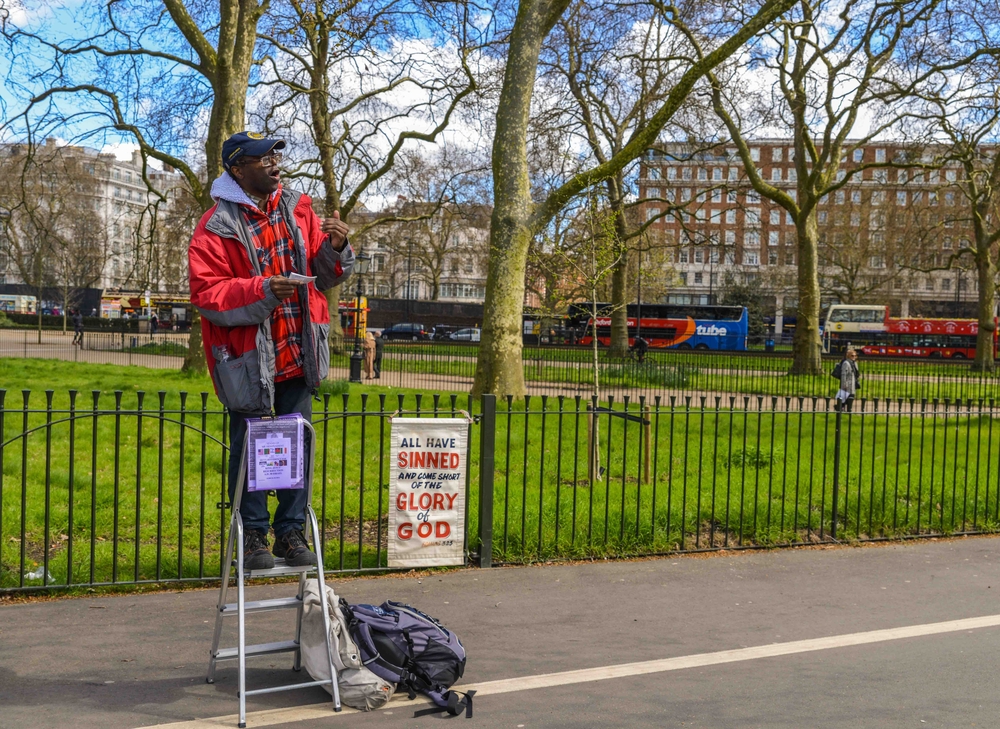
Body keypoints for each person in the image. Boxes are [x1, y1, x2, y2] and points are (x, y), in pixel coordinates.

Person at [188, 131, 354, 570]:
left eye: (276, 155)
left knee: (296, 443)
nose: (275, 163)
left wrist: (335, 248)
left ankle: (290, 532)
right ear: (238, 168)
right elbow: (208, 293)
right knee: (250, 447)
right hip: (247, 361)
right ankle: (252, 537)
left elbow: (322, 273)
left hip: (298, 350)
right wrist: (264, 288)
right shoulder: (215, 226)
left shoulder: (299, 209)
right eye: (263, 158)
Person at [834, 347, 860, 412]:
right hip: (847, 385)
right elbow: (843, 375)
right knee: (845, 398)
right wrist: (844, 384)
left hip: (853, 384)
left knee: (850, 398)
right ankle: (840, 408)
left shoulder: (855, 363)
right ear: (848, 356)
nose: (854, 357)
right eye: (852, 355)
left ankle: (847, 410)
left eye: (855, 356)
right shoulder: (846, 363)